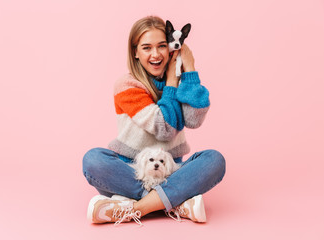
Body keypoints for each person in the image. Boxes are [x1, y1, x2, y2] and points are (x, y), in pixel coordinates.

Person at [82, 15, 226, 225]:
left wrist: (190, 69)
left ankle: (136, 207)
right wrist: (171, 81)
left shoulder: (181, 80)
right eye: (147, 47)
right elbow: (164, 129)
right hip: (132, 170)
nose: (156, 54)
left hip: (171, 170)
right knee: (93, 160)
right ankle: (173, 202)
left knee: (215, 160)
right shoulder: (127, 84)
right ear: (135, 52)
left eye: (161, 46)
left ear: (171, 47)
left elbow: (194, 120)